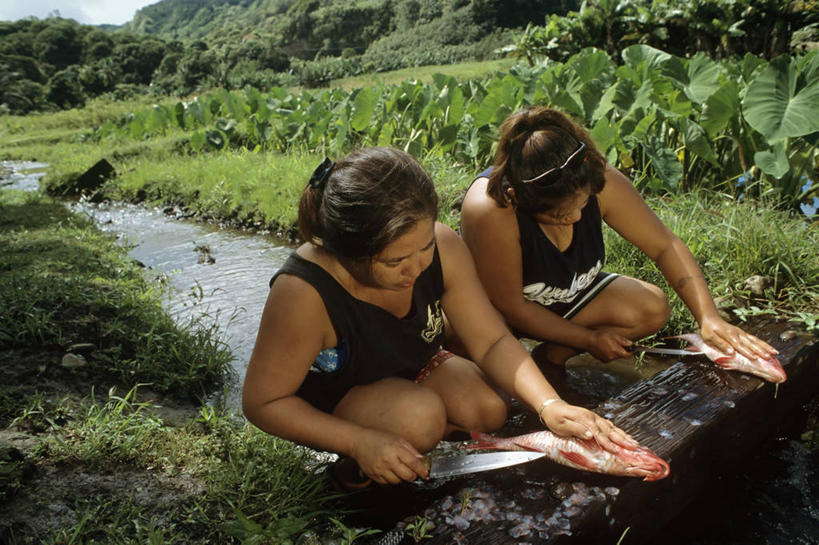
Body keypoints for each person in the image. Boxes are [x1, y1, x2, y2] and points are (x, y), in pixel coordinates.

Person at [242, 147, 638, 488]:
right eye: (394, 261)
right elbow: (264, 402)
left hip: (408, 364)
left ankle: (403, 437)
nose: (414, 269)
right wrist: (358, 441)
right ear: (347, 253)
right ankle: (352, 466)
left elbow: (492, 339)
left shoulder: (443, 245)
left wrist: (550, 404)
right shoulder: (304, 293)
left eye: (424, 247)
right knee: (420, 420)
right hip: (338, 397)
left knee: (489, 409)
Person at [460, 106, 778, 366]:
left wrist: (709, 317)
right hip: (499, 314)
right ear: (519, 197)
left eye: (583, 206)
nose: (573, 218)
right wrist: (588, 339)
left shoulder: (601, 178)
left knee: (650, 307)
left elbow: (664, 245)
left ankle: (550, 358)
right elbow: (513, 306)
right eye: (557, 216)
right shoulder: (491, 208)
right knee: (488, 397)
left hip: (560, 300)